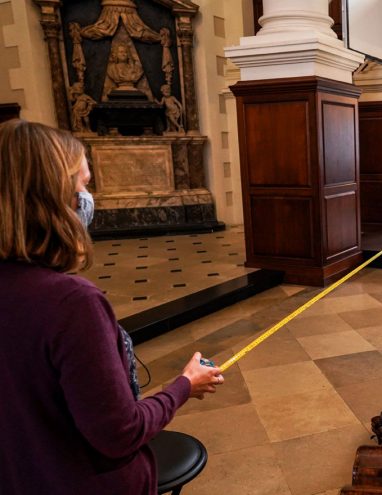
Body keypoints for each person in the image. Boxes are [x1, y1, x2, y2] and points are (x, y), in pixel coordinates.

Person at [0, 119, 224, 494]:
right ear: (56, 199)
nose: (89, 200)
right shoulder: (72, 304)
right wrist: (184, 385)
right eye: (83, 186)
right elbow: (121, 433)